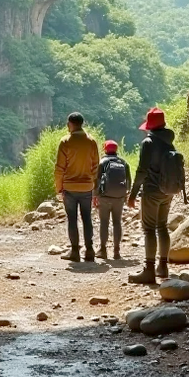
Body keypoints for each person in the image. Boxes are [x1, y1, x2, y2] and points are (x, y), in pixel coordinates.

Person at [127, 106, 184, 285]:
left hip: (151, 191)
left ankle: (149, 271)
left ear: (150, 126)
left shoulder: (149, 143)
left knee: (149, 229)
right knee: (162, 227)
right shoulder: (169, 142)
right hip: (168, 191)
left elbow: (142, 170)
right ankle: (163, 266)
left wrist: (133, 194)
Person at [54, 112, 100, 263]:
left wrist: (59, 189)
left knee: (72, 219)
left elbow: (59, 168)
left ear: (70, 124)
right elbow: (95, 166)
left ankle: (74, 251)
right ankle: (90, 250)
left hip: (69, 187)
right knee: (87, 218)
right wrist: (93, 185)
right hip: (87, 187)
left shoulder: (65, 142)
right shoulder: (91, 141)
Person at [95, 140, 130, 260]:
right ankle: (116, 252)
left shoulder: (102, 162)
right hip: (119, 198)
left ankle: (103, 250)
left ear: (105, 149)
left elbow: (97, 180)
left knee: (104, 222)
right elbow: (128, 181)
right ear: (116, 150)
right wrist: (126, 195)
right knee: (117, 222)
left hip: (104, 197)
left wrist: (95, 196)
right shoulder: (124, 163)